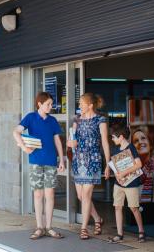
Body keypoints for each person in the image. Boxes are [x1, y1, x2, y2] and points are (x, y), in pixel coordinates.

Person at [12, 91, 65, 240]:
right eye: (48, 104)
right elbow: (16, 132)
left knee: (50, 195)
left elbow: (57, 141)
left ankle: (49, 227)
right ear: (39, 104)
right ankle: (39, 227)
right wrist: (24, 148)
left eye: (51, 104)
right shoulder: (30, 117)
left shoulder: (53, 120)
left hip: (50, 161)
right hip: (35, 161)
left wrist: (61, 160)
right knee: (38, 194)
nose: (51, 106)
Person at [66, 93, 110, 240]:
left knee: (86, 196)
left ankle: (84, 228)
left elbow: (105, 142)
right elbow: (71, 140)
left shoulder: (100, 120)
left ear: (90, 105)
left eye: (81, 103)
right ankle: (97, 219)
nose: (79, 106)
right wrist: (70, 143)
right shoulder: (77, 120)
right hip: (78, 161)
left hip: (93, 160)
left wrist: (108, 164)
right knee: (80, 196)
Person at [108, 121, 146, 243]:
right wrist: (117, 175)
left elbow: (138, 164)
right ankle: (119, 234)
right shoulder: (115, 150)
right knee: (117, 207)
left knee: (134, 207)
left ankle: (141, 232)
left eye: (113, 137)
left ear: (121, 137)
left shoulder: (131, 148)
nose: (112, 139)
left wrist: (123, 173)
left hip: (131, 183)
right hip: (119, 183)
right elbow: (115, 166)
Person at [132, 127, 154, 203]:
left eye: (143, 138)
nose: (140, 142)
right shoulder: (131, 168)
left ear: (150, 144)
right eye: (136, 141)